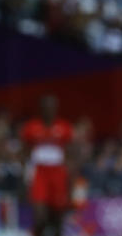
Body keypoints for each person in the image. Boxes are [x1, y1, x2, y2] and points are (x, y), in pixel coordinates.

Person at [21, 95, 73, 236]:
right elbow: (24, 153)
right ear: (41, 108)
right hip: (39, 173)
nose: (49, 110)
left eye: (52, 106)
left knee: (58, 218)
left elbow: (70, 154)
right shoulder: (31, 127)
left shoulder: (64, 127)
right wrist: (25, 176)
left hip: (58, 173)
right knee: (40, 218)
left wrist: (70, 178)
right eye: (46, 107)